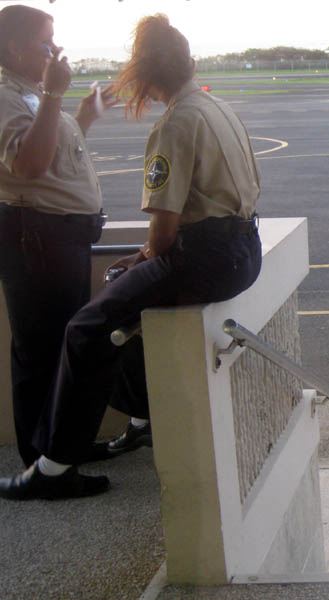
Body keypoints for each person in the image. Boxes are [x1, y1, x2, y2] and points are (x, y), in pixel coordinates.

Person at [0, 13, 263, 500]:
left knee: (85, 329)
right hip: (243, 250)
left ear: (146, 76)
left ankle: (54, 467)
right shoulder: (214, 106)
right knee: (122, 311)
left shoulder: (173, 124)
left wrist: (142, 259)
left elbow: (163, 235)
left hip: (203, 257)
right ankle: (138, 416)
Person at [0, 5, 114, 468]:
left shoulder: (31, 94)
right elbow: (27, 166)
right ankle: (40, 462)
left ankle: (63, 447)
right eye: (47, 43)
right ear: (14, 48)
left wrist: (82, 116)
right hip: (36, 239)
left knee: (61, 345)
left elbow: (54, 158)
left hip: (60, 238)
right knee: (41, 351)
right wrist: (53, 94)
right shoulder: (8, 96)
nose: (56, 51)